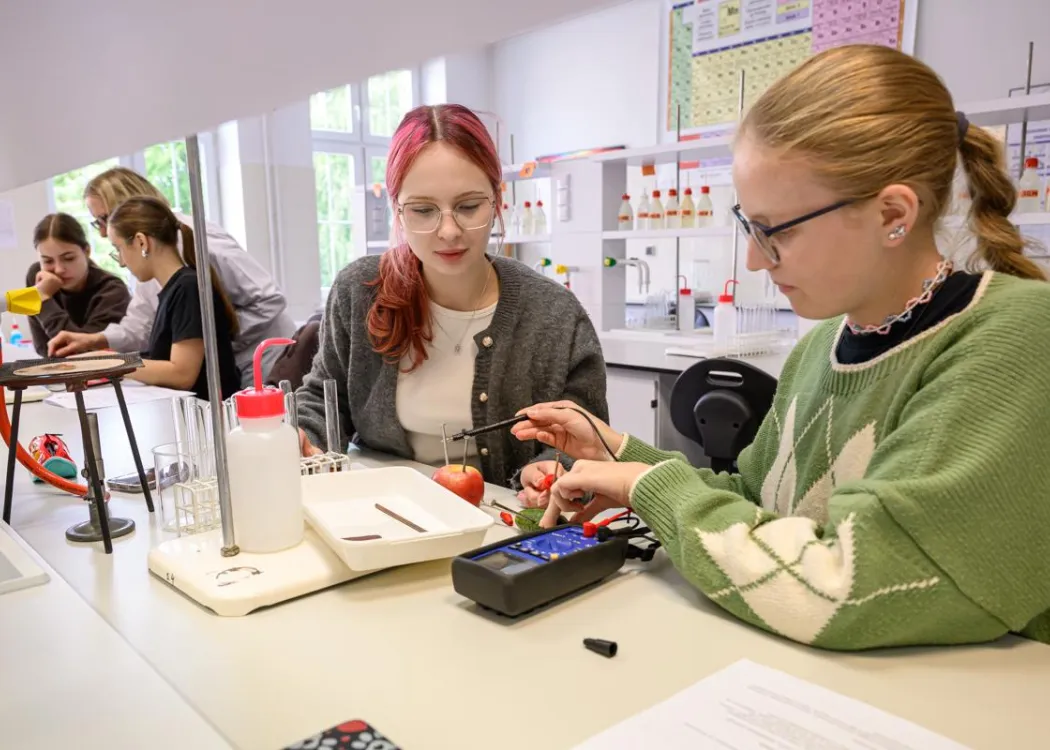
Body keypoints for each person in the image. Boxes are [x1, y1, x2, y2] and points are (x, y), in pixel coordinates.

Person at [511, 45, 1050, 651]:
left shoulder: (1013, 337)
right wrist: (618, 457)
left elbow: (851, 587)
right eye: (751, 226)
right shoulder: (824, 344)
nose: (752, 259)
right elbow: (755, 503)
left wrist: (649, 488)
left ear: (892, 214)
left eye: (778, 231)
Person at [296, 103, 608, 489]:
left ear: (497, 200)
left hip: (502, 524)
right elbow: (323, 399)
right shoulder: (359, 292)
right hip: (385, 509)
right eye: (423, 210)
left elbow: (588, 435)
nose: (448, 231)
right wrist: (300, 439)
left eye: (468, 206)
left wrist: (548, 468)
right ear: (397, 210)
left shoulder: (554, 315)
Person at [47, 167, 296, 386]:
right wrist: (94, 341)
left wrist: (207, 338)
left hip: (261, 361)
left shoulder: (196, 249)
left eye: (104, 220)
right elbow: (141, 325)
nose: (102, 233)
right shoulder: (157, 267)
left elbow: (269, 300)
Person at [107, 196, 241, 401]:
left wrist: (114, 363)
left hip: (204, 418)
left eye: (119, 249)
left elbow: (182, 374)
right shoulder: (175, 289)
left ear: (141, 242)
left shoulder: (187, 288)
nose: (122, 263)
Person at [25, 213, 131, 357]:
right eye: (48, 261)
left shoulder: (112, 290)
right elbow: (43, 349)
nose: (59, 269)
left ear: (86, 251)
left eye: (69, 258)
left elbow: (80, 352)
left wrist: (44, 301)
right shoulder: (36, 276)